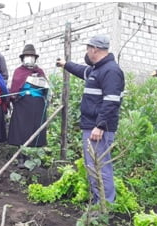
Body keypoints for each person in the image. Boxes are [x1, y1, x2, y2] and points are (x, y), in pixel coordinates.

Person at [56, 35, 125, 204]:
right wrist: (66, 65)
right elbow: (82, 71)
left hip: (99, 128)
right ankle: (98, 202)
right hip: (92, 126)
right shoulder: (97, 69)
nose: (86, 52)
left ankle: (105, 205)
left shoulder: (111, 71)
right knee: (93, 166)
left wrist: (100, 126)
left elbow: (111, 101)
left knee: (99, 167)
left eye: (88, 48)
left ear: (94, 49)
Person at [8, 44, 49, 168]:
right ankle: (21, 158)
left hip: (37, 105)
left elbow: (46, 88)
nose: (29, 58)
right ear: (23, 58)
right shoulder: (18, 71)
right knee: (22, 130)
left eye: (31, 56)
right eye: (27, 56)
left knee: (35, 129)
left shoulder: (39, 71)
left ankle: (31, 157)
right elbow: (15, 88)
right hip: (23, 104)